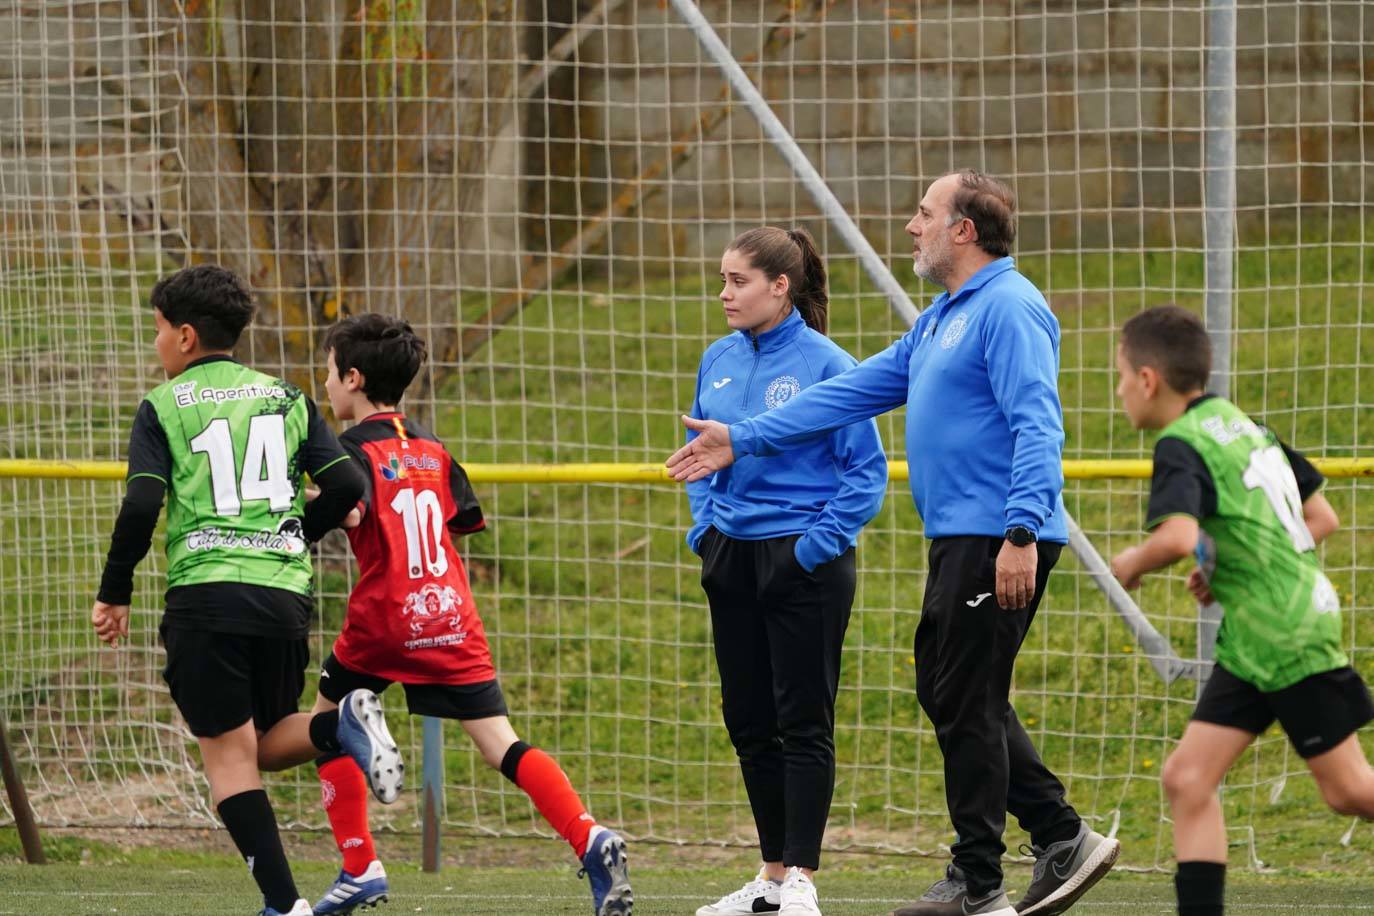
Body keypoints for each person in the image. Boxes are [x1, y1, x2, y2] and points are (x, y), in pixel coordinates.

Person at [667, 171, 1119, 916]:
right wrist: (740, 439)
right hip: (958, 538)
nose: (912, 227)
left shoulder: (1009, 306)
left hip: (998, 533)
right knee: (949, 690)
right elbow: (849, 392)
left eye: (924, 213)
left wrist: (1019, 532)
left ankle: (979, 881)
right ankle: (1061, 835)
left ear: (963, 230)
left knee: (965, 700)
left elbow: (1039, 424)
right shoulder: (944, 317)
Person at [91, 264, 403, 916]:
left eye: (155, 331)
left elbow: (144, 500)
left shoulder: (163, 405)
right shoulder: (288, 398)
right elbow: (349, 489)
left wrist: (114, 589)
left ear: (182, 335)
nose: (155, 345)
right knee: (259, 742)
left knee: (229, 764)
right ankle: (338, 725)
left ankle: (284, 905)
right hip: (283, 598)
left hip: (207, 598)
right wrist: (295, 534)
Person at [307, 313, 632, 916]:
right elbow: (458, 520)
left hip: (386, 615)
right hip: (450, 614)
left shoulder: (347, 450)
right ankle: (590, 837)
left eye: (327, 372)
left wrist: (307, 510)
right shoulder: (433, 447)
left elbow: (350, 506)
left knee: (325, 728)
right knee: (500, 744)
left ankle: (359, 865)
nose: (325, 384)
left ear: (352, 378)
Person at [1108, 304, 1374, 916]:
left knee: (1351, 791)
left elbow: (1175, 537)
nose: (1119, 390)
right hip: (1260, 633)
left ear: (1148, 380)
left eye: (1120, 376)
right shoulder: (1243, 424)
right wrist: (1228, 567)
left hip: (1282, 635)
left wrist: (1131, 562)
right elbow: (1320, 518)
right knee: (1186, 779)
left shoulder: (1180, 443)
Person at [685, 227, 887, 916]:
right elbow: (697, 456)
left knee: (803, 719)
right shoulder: (715, 358)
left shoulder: (830, 364)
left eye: (737, 281)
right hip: (731, 557)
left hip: (805, 560)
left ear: (781, 286)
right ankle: (770, 876)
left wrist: (808, 549)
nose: (723, 293)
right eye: (721, 279)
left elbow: (867, 475)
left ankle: (802, 878)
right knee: (747, 718)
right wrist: (705, 533)